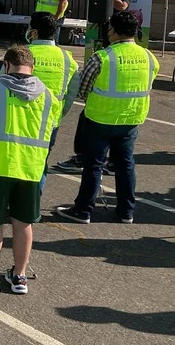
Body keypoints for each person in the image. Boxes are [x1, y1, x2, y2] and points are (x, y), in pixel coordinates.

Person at [0, 46, 59, 295]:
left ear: (6, 64)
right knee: (24, 223)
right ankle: (19, 276)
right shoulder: (48, 96)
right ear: (32, 67)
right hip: (31, 167)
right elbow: (52, 125)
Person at [54, 11, 158, 225]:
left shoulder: (102, 56)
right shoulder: (149, 57)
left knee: (93, 165)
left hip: (100, 119)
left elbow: (83, 89)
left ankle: (83, 210)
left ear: (114, 32)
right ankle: (126, 211)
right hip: (131, 118)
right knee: (125, 164)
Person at [21, 12, 79, 190]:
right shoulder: (68, 59)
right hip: (50, 121)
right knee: (41, 161)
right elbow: (70, 96)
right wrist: (59, 114)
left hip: (21, 119)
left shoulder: (22, 55)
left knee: (18, 161)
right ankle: (33, 206)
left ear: (34, 32)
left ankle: (15, 204)